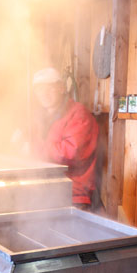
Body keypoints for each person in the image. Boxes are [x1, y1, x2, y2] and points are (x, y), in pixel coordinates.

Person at [31, 67, 99, 209]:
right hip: (48, 192)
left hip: (73, 195)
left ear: (62, 88)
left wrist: (34, 150)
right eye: (39, 89)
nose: (44, 93)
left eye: (49, 88)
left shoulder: (79, 114)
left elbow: (69, 154)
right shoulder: (44, 117)